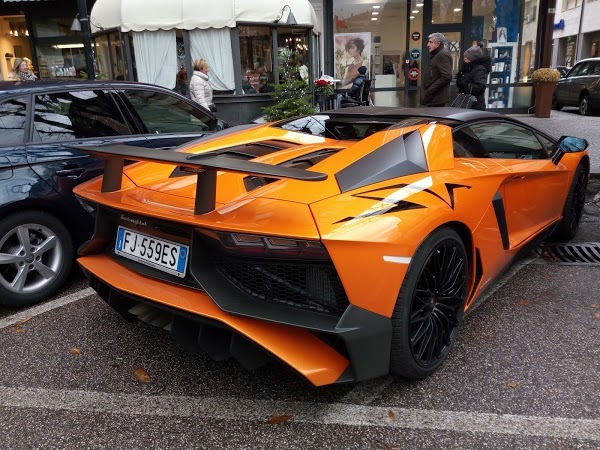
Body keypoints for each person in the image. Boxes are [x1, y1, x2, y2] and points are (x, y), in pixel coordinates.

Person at [455, 46, 492, 111]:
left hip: (475, 104)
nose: (464, 59)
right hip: (466, 102)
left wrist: (466, 85)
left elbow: (480, 87)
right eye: (465, 57)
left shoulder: (480, 69)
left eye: (467, 57)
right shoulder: (468, 67)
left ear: (473, 58)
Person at [421, 32, 453, 107]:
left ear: (438, 44)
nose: (428, 45)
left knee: (434, 119)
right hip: (434, 98)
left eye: (430, 42)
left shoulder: (442, 54)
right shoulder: (437, 54)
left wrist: (430, 90)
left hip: (437, 99)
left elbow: (446, 76)